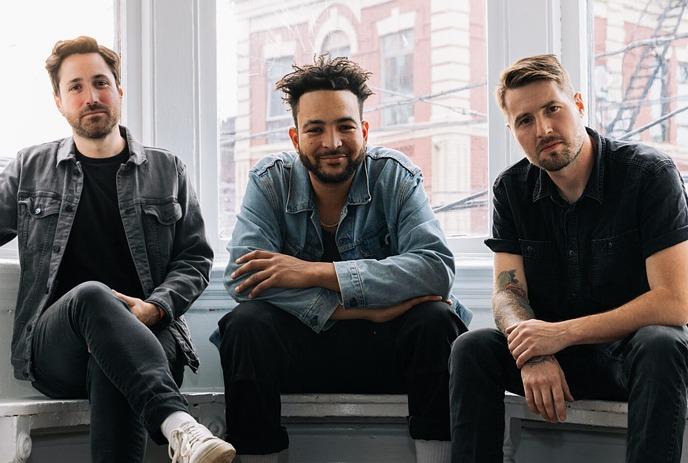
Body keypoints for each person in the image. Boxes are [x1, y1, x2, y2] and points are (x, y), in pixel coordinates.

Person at [214, 55, 470, 463]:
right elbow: (242, 277)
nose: (332, 142)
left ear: (364, 131)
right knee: (245, 326)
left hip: (385, 354)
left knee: (437, 322)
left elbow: (435, 268)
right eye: (315, 129)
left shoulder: (394, 175)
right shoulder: (270, 181)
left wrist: (313, 272)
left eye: (345, 126)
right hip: (304, 353)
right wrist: (367, 312)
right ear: (296, 138)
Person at [0, 36, 236, 463]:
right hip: (58, 346)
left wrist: (156, 308)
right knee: (93, 294)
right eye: (75, 87)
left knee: (112, 362)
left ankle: (179, 430)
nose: (91, 97)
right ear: (58, 100)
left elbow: (196, 258)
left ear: (119, 90)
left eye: (101, 83)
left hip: (150, 335)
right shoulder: (29, 167)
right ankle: (180, 426)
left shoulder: (167, 170)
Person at [449, 54, 688, 463]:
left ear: (578, 104)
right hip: (556, 357)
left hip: (629, 359)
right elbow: (508, 293)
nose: (542, 129)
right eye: (525, 120)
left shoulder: (648, 175)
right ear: (512, 131)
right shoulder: (510, 190)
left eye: (552, 109)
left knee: (663, 342)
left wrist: (561, 334)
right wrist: (536, 351)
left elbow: (675, 300)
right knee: (472, 348)